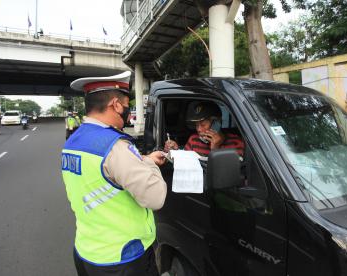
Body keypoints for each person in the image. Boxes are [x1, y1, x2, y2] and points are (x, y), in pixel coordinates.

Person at [62, 71, 167, 276]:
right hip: (123, 256)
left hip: (87, 251)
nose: (127, 109)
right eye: (126, 103)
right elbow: (156, 197)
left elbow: (104, 173)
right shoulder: (114, 146)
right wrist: (152, 166)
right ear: (116, 105)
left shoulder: (73, 141)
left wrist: (144, 159)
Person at [164, 101, 245, 157]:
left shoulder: (236, 142)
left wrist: (215, 148)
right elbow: (185, 162)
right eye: (196, 125)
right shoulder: (193, 140)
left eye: (203, 124)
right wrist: (175, 151)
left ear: (216, 123)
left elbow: (230, 172)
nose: (198, 129)